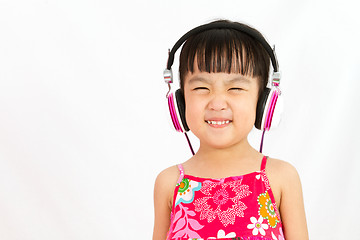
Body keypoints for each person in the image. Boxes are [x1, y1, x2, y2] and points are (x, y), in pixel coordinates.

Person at [153, 20, 308, 240]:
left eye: (235, 88)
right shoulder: (169, 183)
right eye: (201, 88)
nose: (217, 104)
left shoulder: (281, 178)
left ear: (264, 101)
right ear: (180, 102)